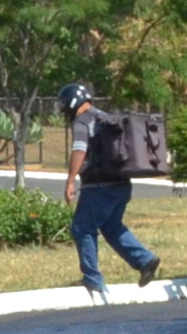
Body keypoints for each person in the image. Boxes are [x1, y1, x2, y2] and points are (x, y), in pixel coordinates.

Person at [60, 81, 162, 297]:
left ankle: (92, 279)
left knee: (81, 228)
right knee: (111, 227)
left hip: (98, 187)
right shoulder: (104, 117)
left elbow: (79, 150)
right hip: (121, 184)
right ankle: (145, 260)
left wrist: (70, 180)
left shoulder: (82, 120)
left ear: (71, 102)